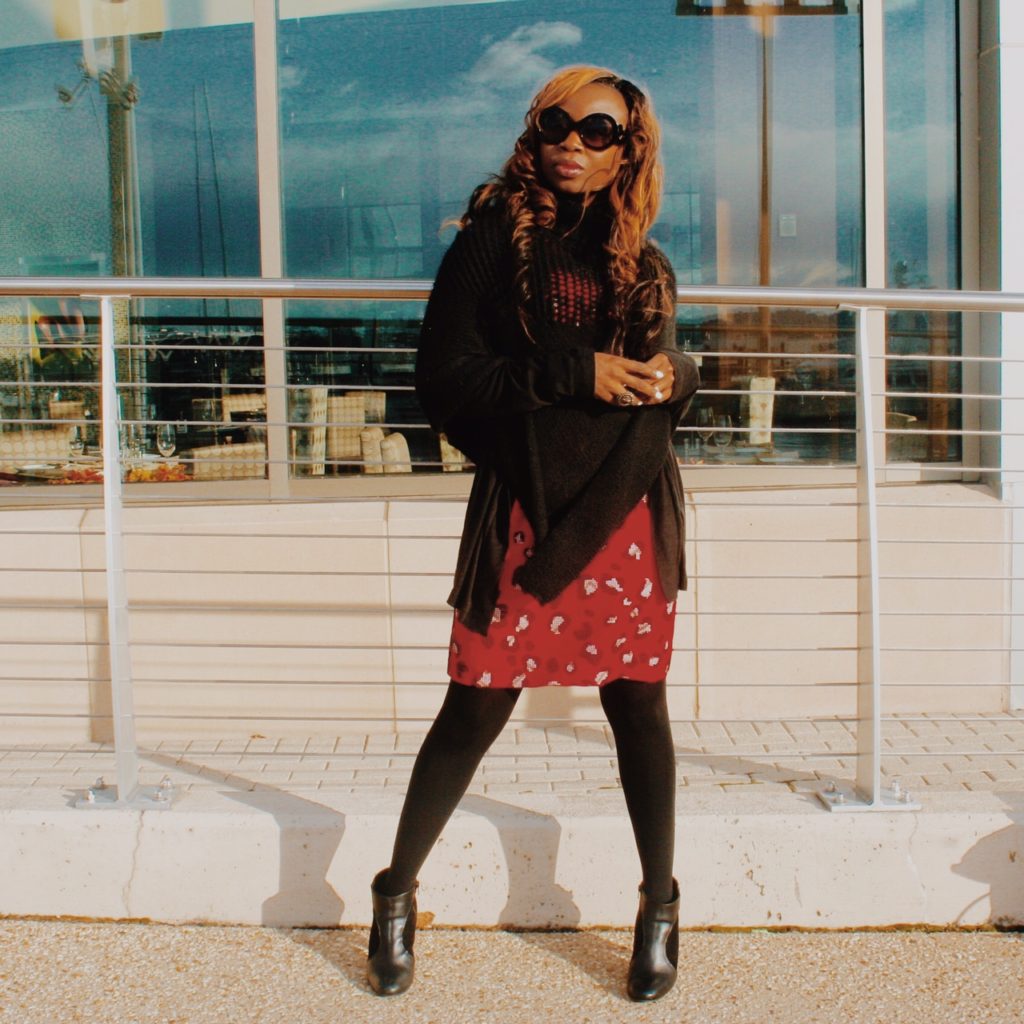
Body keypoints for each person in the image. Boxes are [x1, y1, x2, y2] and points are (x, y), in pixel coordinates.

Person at [367, 65, 699, 1002]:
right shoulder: (490, 241)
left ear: (631, 149)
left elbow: (664, 391)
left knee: (639, 708)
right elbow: (444, 382)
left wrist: (677, 373)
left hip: (628, 514)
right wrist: (568, 373)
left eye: (600, 131)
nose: (572, 141)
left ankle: (659, 908)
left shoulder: (646, 258)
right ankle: (395, 895)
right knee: (475, 703)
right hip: (528, 511)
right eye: (557, 121)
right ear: (534, 126)